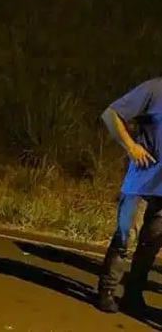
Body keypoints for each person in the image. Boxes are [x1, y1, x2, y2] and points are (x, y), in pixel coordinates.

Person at [96, 78, 162, 314]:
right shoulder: (154, 89)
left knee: (150, 245)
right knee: (126, 237)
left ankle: (133, 294)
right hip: (141, 180)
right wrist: (131, 147)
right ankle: (107, 290)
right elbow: (111, 114)